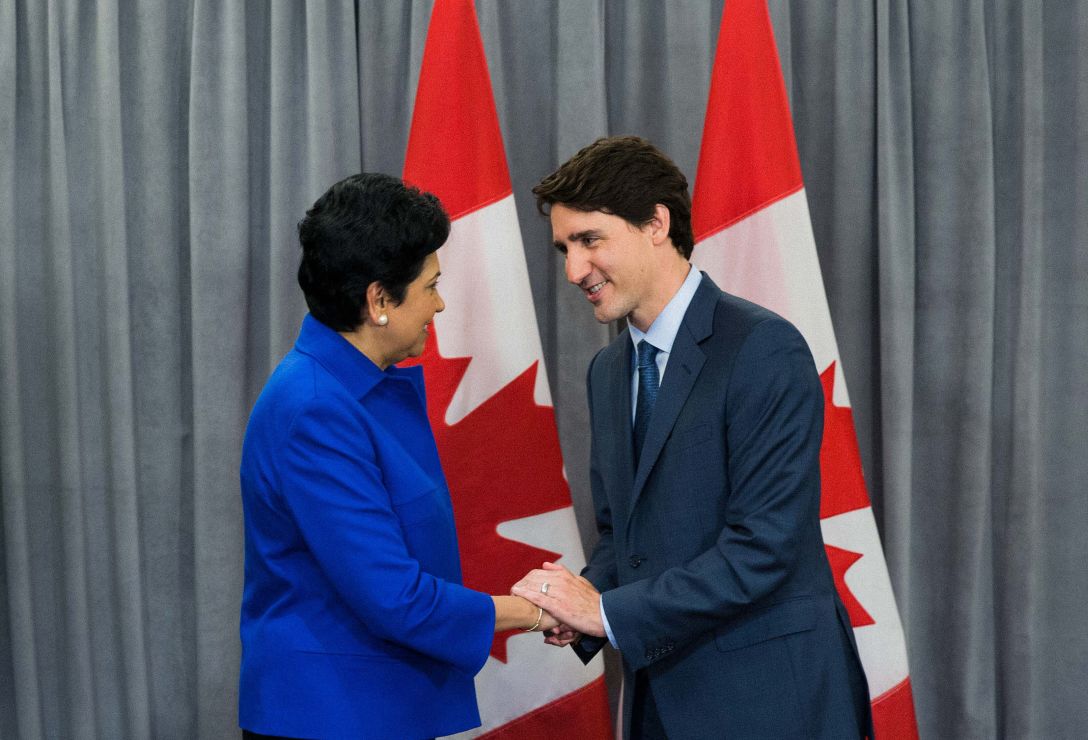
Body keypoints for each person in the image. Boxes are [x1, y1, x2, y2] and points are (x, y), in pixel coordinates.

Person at [513, 137, 872, 738]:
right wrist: (576, 601)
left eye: (590, 240)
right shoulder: (608, 372)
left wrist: (603, 611)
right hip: (660, 701)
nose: (574, 271)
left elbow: (763, 547)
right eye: (564, 249)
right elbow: (622, 535)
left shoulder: (762, 347)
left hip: (771, 702)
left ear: (657, 223)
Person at [238, 173, 554, 740]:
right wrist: (533, 611)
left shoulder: (355, 388)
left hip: (375, 707)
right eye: (431, 285)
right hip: (333, 717)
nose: (440, 303)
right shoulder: (315, 408)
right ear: (379, 300)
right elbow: (393, 597)